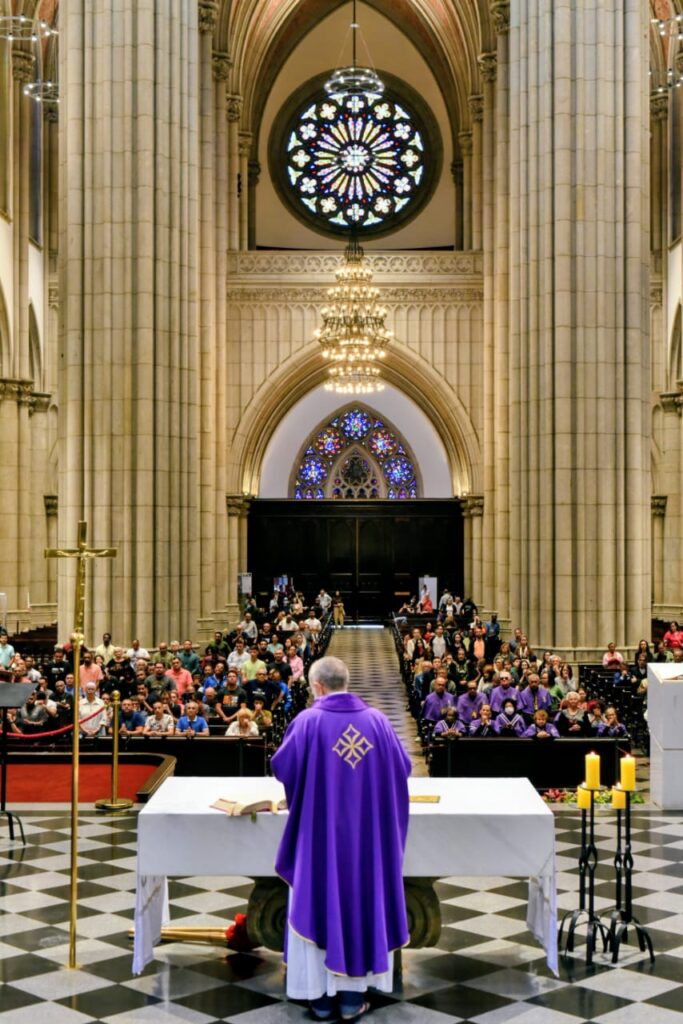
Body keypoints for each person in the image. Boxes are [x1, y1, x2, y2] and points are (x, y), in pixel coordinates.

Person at [271, 656, 410, 1022]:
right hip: (367, 843)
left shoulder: (307, 722)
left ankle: (317, 998)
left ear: (317, 686)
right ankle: (352, 1000)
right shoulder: (379, 722)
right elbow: (404, 768)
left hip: (319, 840)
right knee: (360, 903)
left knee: (318, 900)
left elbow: (282, 767)